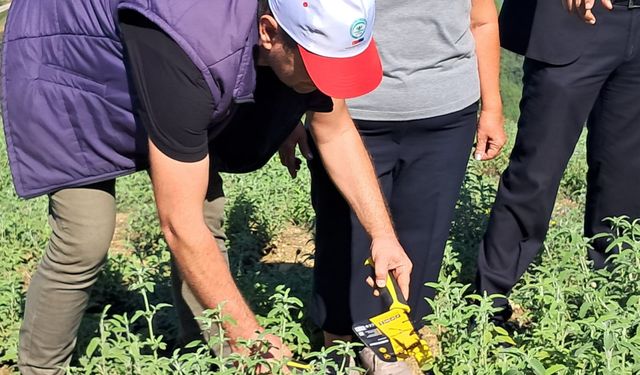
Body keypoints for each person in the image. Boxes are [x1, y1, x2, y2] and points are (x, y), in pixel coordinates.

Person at [1, 0, 414, 373]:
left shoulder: (307, 25)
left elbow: (336, 130)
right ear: (268, 32)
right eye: (317, 67)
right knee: (84, 236)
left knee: (207, 210)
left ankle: (200, 356)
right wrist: (250, 338)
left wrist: (383, 235)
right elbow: (179, 224)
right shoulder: (190, 46)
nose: (327, 80)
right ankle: (39, 368)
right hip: (69, 65)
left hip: (156, 52)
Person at [279, 0, 505, 372]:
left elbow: (481, 20)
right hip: (349, 114)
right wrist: (288, 108)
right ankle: (336, 351)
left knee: (422, 240)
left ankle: (396, 348)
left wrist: (492, 107)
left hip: (447, 112)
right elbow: (296, 23)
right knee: (343, 240)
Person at [476, 0, 640, 323]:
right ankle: (488, 308)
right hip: (575, 18)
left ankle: (609, 311)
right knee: (536, 173)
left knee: (624, 178)